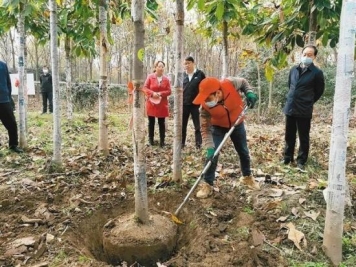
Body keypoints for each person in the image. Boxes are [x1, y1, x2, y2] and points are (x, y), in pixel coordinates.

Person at [192, 77, 259, 198]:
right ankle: (207, 183)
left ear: (217, 93)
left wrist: (249, 92)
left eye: (208, 98)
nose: (206, 101)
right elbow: (205, 129)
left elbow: (244, 82)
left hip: (237, 123)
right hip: (217, 127)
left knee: (243, 151)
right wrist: (209, 147)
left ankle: (247, 177)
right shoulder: (204, 108)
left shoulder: (230, 83)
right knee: (212, 155)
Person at [282, 45, 325, 170]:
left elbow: (319, 91)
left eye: (310, 55)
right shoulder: (293, 69)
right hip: (290, 106)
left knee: (303, 136)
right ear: (301, 55)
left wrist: (308, 101)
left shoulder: (317, 73)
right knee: (289, 134)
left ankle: (301, 161)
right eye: (305, 54)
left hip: (304, 108)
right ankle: (287, 158)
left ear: (314, 56)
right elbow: (290, 85)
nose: (306, 56)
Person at [143, 61, 171, 147]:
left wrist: (160, 94)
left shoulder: (166, 79)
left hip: (162, 103)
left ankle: (162, 141)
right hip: (151, 102)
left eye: (162, 67)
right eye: (159, 66)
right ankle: (151, 140)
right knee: (151, 122)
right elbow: (145, 88)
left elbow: (169, 91)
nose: (161, 68)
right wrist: (152, 93)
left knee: (161, 122)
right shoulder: (150, 77)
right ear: (155, 67)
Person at [182, 56, 206, 149]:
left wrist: (203, 102)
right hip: (184, 104)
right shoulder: (182, 75)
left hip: (196, 104)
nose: (186, 65)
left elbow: (205, 87)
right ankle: (182, 144)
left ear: (193, 63)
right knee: (183, 125)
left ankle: (198, 144)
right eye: (185, 63)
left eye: (188, 63)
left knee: (197, 126)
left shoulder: (200, 74)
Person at [0, 60, 23, 154]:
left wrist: (8, 97)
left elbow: (8, 82)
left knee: (12, 124)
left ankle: (13, 145)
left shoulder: (3, 65)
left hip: (4, 100)